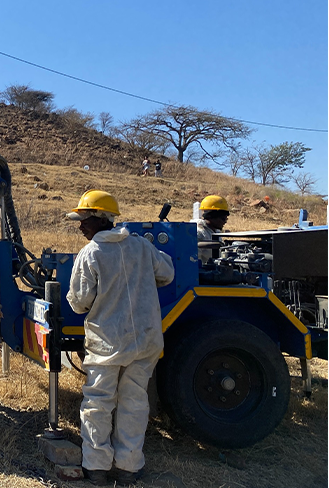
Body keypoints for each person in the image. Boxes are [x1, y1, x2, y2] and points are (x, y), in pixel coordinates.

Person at [65, 190, 175, 486]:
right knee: (134, 402)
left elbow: (79, 302)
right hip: (145, 340)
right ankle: (128, 466)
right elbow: (167, 274)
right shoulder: (140, 246)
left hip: (108, 345)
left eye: (85, 219)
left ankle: (97, 466)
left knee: (99, 403)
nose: (80, 226)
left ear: (102, 219)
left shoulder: (91, 254)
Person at [195, 195, 230, 264]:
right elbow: (194, 261)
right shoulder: (198, 233)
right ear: (211, 216)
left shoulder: (216, 232)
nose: (225, 221)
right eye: (223, 218)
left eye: (226, 218)